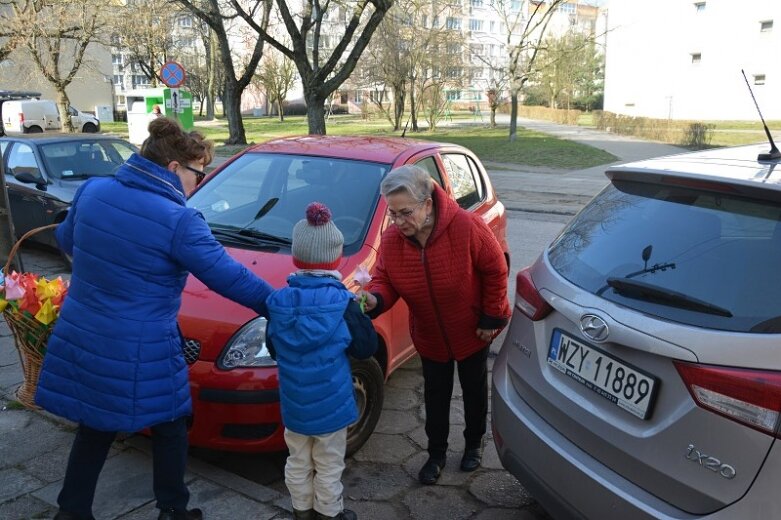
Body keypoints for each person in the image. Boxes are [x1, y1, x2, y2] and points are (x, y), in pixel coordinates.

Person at [35, 117, 275, 520]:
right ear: (173, 169)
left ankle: (72, 511)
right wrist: (281, 304)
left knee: (96, 426)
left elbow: (65, 240)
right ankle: (173, 509)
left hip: (84, 332)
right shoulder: (178, 220)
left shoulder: (93, 190)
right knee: (170, 422)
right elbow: (228, 276)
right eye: (199, 174)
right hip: (141, 344)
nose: (199, 184)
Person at [358, 165, 510, 485]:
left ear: (427, 204)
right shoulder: (392, 241)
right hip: (429, 335)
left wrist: (491, 318)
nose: (398, 222)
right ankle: (436, 453)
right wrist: (375, 299)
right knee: (435, 397)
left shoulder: (467, 227)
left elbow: (495, 271)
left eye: (405, 213)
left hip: (471, 329)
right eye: (393, 214)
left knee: (473, 392)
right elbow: (384, 279)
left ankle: (473, 445)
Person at [265, 202, 378, 520]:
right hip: (332, 408)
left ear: (296, 257)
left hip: (295, 407)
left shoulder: (278, 302)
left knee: (298, 460)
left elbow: (274, 349)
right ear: (336, 258)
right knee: (329, 463)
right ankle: (329, 513)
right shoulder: (344, 303)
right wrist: (360, 315)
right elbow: (366, 348)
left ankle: (301, 511)